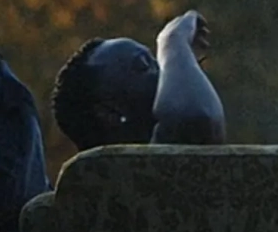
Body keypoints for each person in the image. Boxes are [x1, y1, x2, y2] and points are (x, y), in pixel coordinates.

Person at [50, 9, 226, 149]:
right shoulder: (121, 186)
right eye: (143, 65)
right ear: (110, 114)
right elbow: (196, 117)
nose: (164, 72)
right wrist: (172, 42)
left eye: (158, 62)